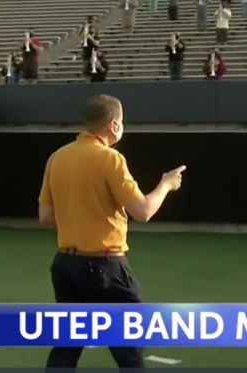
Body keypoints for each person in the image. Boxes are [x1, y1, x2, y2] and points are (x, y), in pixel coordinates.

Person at [39, 94, 185, 370]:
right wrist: (166, 185)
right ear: (114, 125)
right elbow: (142, 211)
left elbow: (45, 216)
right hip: (105, 267)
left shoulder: (57, 157)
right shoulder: (110, 159)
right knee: (129, 348)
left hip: (65, 265)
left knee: (67, 345)